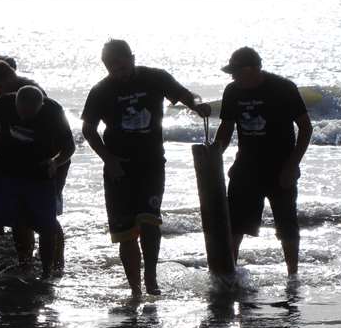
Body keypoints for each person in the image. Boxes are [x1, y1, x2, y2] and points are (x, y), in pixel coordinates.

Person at [81, 38, 211, 298]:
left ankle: (150, 277)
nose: (118, 70)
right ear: (105, 65)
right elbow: (88, 129)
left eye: (122, 63)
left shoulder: (155, 78)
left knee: (150, 222)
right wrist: (109, 159)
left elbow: (187, 95)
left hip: (151, 163)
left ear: (132, 57)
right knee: (125, 232)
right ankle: (135, 288)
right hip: (119, 168)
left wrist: (197, 106)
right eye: (111, 66)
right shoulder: (100, 90)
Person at [213, 47, 312, 276]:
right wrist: (214, 156)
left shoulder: (283, 88)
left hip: (280, 168)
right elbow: (226, 128)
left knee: (286, 225)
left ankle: (292, 275)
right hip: (245, 168)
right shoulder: (232, 91)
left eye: (236, 72)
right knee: (234, 225)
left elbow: (306, 128)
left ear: (251, 69)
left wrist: (292, 166)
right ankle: (229, 275)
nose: (233, 77)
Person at [0, 86, 75, 283]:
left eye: (30, 113)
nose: (25, 116)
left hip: (41, 173)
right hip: (8, 170)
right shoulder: (4, 102)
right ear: (15, 102)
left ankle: (47, 274)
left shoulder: (53, 111)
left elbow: (69, 147)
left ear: (41, 106)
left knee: (47, 226)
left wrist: (55, 162)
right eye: (21, 111)